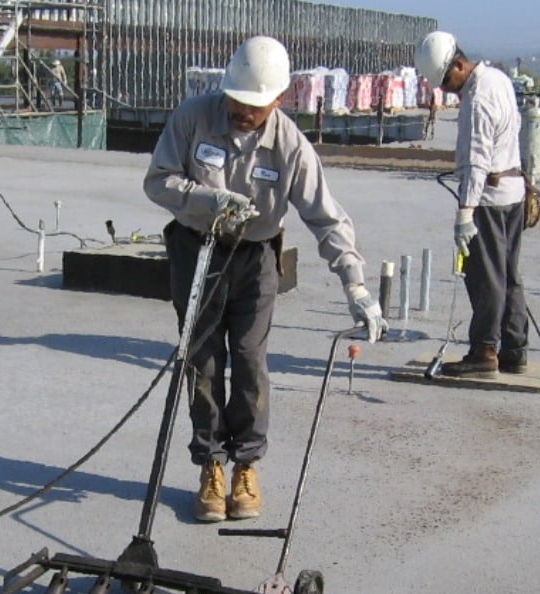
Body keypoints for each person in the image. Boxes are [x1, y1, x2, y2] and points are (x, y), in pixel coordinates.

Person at [143, 35, 387, 523]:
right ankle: (210, 464)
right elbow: (158, 181)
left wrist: (356, 286)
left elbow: (327, 217)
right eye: (235, 100)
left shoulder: (290, 144)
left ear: (278, 99)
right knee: (203, 361)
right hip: (198, 250)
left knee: (250, 362)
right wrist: (207, 200)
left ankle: (246, 466)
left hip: (255, 258)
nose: (241, 111)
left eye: (254, 106)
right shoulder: (192, 117)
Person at [415, 31, 528, 377]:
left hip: (489, 200)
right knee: (508, 275)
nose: (448, 89)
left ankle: (484, 351)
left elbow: (477, 160)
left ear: (460, 65)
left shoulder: (477, 99)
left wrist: (465, 213)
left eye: (448, 80)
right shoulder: (498, 78)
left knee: (485, 278)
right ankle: (515, 349)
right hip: (513, 193)